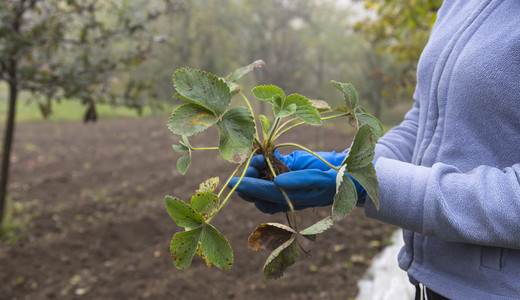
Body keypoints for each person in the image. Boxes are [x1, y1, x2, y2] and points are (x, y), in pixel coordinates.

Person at [228, 0, 520, 299]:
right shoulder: (458, 4)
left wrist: (371, 181)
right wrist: (351, 163)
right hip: (430, 282)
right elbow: (424, 122)